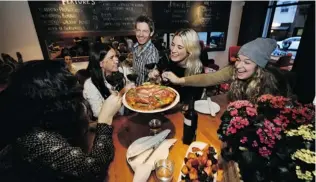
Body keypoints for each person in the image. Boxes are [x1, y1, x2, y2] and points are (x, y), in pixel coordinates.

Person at [0, 60, 122, 182]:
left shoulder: (41, 117)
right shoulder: (35, 139)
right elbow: (94, 170)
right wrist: (105, 120)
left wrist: (94, 125)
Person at [162, 38, 292, 103]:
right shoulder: (233, 70)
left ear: (260, 67)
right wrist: (179, 80)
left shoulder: (272, 84)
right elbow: (209, 78)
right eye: (238, 59)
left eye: (247, 62)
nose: (239, 66)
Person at [148, 28, 204, 104]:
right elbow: (159, 89)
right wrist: (157, 79)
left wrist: (178, 81)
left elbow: (193, 101)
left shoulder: (198, 70)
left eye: (179, 47)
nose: (173, 50)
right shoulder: (166, 59)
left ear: (190, 51)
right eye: (173, 44)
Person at [84, 43, 134, 118]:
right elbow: (99, 113)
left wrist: (151, 75)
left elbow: (134, 81)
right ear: (101, 63)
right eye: (111, 58)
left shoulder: (121, 71)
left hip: (123, 119)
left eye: (116, 56)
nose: (117, 61)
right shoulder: (90, 84)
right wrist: (121, 92)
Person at [132, 15, 159, 85]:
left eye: (145, 31)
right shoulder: (135, 46)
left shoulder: (152, 53)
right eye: (138, 30)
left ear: (151, 33)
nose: (141, 34)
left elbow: (152, 81)